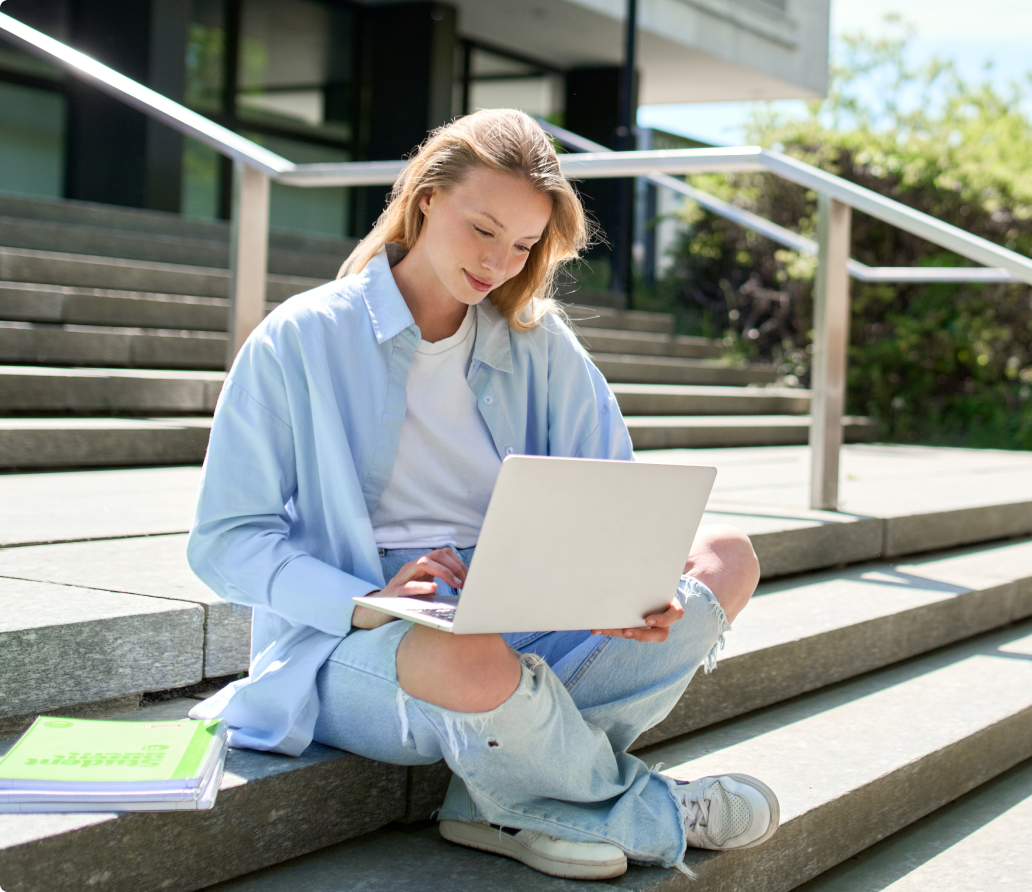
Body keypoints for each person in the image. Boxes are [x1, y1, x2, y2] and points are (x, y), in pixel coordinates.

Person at [187, 108, 778, 881]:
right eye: (483, 229)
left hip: (524, 599)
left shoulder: (539, 342)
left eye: (525, 245)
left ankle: (499, 794)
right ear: (427, 198)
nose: (500, 262)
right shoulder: (300, 338)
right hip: (358, 632)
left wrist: (613, 586)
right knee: (467, 652)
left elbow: (613, 495)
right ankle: (652, 809)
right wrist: (366, 598)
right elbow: (225, 542)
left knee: (725, 557)